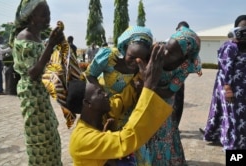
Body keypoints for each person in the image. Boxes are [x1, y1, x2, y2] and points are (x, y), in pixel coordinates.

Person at [69, 43, 174, 166]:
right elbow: (126, 140)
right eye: (99, 93)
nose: (106, 94)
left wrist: (138, 81)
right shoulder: (81, 140)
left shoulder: (102, 115)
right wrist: (149, 86)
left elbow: (121, 100)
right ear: (88, 103)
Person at [136, 26, 202, 166]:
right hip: (144, 98)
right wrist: (146, 83)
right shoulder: (156, 51)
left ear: (183, 56)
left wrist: (148, 84)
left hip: (163, 103)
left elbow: (170, 91)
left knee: (162, 135)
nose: (165, 53)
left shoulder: (185, 66)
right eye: (166, 46)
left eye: (172, 53)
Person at [10, 0, 64, 165]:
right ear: (32, 16)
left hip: (41, 94)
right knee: (39, 140)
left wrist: (58, 44)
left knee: (51, 136)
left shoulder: (38, 36)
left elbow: (46, 64)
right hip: (32, 97)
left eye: (48, 14)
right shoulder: (24, 37)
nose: (47, 19)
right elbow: (33, 72)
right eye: (43, 15)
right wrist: (50, 46)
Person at [201, 15, 246, 150]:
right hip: (233, 92)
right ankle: (234, 156)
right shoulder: (230, 47)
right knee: (234, 123)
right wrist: (227, 90)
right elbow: (225, 70)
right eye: (243, 26)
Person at [85, 25, 153, 97]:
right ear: (125, 48)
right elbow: (90, 75)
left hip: (124, 105)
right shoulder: (109, 56)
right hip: (102, 101)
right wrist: (101, 93)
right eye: (132, 57)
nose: (136, 62)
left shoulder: (143, 67)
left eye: (141, 59)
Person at [173, 21, 203, 128]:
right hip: (180, 75)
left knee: (172, 100)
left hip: (173, 74)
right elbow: (196, 54)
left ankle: (172, 126)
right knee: (178, 100)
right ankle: (175, 125)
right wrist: (198, 67)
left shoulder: (175, 37)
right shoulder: (193, 38)